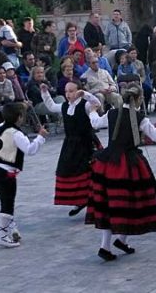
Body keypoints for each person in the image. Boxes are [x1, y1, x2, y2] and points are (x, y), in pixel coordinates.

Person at [87, 82, 156, 261]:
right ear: (139, 98)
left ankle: (113, 243)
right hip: (128, 163)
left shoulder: (112, 113)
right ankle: (114, 242)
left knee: (110, 203)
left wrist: (93, 110)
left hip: (108, 162)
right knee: (129, 201)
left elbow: (95, 122)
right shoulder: (139, 116)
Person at [0, 103, 48, 248]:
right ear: (19, 117)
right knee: (7, 204)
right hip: (5, 172)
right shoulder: (16, 134)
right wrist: (40, 137)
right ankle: (2, 235)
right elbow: (30, 150)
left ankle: (12, 230)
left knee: (4, 201)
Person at [40, 81, 102, 216]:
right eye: (67, 91)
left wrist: (85, 94)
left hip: (86, 143)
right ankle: (80, 200)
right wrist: (45, 92)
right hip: (70, 144)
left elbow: (97, 103)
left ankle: (94, 199)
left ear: (78, 91)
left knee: (90, 171)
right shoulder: (64, 106)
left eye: (72, 91)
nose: (68, 94)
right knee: (67, 170)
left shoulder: (84, 105)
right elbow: (51, 106)